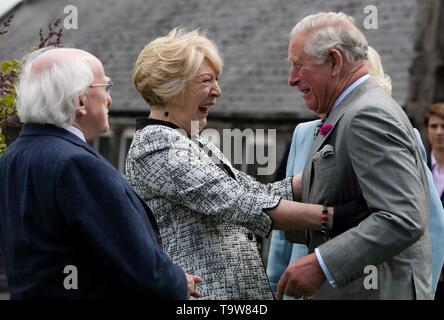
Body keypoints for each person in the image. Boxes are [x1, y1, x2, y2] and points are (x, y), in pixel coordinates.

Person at [125, 27, 361, 300]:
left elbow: (257, 193)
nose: (218, 91)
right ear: (171, 87)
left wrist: (330, 172)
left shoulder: (193, 140)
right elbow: (237, 202)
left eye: (217, 80)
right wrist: (331, 218)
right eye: (206, 81)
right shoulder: (155, 145)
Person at [0, 47, 202, 299]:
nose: (110, 99)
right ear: (80, 102)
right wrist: (177, 282)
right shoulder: (76, 164)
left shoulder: (12, 156)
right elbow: (138, 262)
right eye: (105, 87)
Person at [276, 12, 432, 300]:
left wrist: (322, 263)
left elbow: (402, 217)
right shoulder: (349, 110)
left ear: (335, 61)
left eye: (299, 65)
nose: (292, 79)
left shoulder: (367, 114)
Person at [424, 102, 444, 299]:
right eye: (434, 126)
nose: (439, 132)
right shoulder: (419, 167)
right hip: (424, 266)